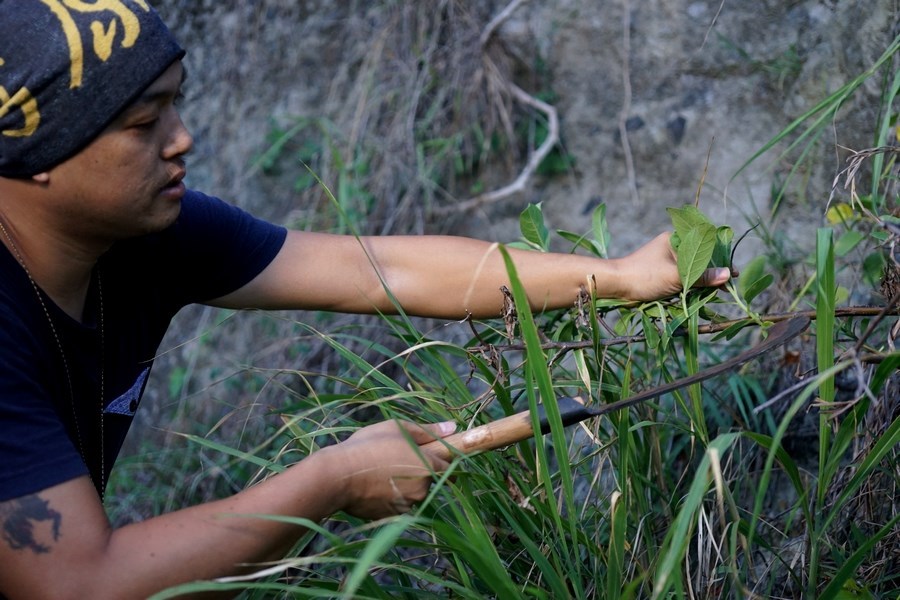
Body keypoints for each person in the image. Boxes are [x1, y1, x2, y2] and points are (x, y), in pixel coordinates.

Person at [0, 2, 731, 598]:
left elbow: (377, 269)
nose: (182, 138)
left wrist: (616, 279)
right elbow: (77, 584)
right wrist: (336, 477)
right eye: (142, 122)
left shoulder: (149, 235)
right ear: (33, 150)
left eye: (176, 106)